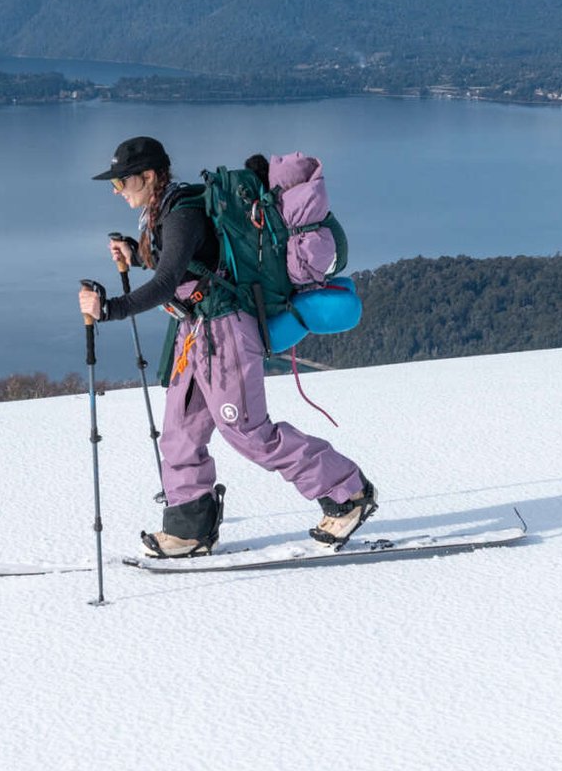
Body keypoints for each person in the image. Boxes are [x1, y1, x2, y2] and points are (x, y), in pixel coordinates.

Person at [78, 135, 377, 558]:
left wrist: (109, 308)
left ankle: (348, 494)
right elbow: (183, 264)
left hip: (225, 329)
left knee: (249, 431)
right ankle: (189, 529)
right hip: (196, 330)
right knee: (181, 431)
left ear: (148, 176)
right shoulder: (163, 211)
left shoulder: (180, 211)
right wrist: (137, 252)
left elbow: (166, 283)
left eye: (121, 182)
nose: (116, 191)